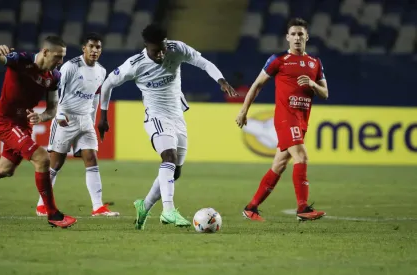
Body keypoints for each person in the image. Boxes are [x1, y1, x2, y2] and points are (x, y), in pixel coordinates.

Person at [97, 23, 237, 230]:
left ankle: (144, 206)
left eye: (162, 48)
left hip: (177, 116)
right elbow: (107, 84)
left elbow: (203, 62)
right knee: (168, 157)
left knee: (175, 172)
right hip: (156, 116)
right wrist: (103, 116)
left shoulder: (176, 48)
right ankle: (168, 210)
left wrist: (221, 80)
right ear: (146, 46)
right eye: (156, 50)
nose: (161, 54)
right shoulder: (135, 64)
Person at [0, 36, 77, 228]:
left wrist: (42, 117)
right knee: (42, 158)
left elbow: (52, 109)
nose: (60, 62)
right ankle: (53, 214)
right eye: (57, 57)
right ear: (45, 52)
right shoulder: (21, 60)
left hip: (23, 125)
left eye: (63, 57)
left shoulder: (54, 77)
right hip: (5, 121)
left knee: (6, 169)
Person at [236, 18, 328, 222]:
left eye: (300, 34)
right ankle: (302, 208)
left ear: (307, 37)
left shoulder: (315, 63)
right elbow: (257, 85)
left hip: (302, 119)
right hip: (286, 118)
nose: (297, 37)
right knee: (301, 157)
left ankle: (251, 208)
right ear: (287, 37)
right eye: (293, 34)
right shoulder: (278, 60)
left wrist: (312, 84)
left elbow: (325, 93)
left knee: (279, 164)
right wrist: (243, 110)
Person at [35, 33, 119, 217]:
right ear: (84, 48)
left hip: (85, 119)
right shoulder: (71, 67)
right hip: (66, 118)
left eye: (98, 47)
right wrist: (59, 114)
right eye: (91, 46)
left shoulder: (101, 71)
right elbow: (56, 89)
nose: (95, 50)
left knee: (91, 159)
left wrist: (96, 119)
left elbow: (96, 97)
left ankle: (98, 207)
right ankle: (42, 205)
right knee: (55, 163)